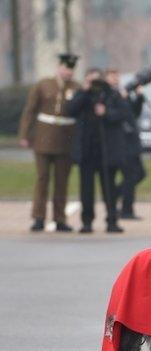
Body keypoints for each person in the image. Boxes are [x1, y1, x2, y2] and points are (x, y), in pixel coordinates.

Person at [18, 53, 80, 232]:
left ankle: (60, 218)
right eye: (65, 68)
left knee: (62, 181)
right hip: (44, 138)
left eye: (71, 69)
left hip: (66, 140)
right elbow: (30, 110)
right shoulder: (43, 84)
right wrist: (24, 134)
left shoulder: (76, 87)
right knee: (42, 178)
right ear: (58, 67)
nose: (68, 72)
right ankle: (38, 217)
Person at [67, 68, 128, 233]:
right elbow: (70, 110)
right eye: (90, 80)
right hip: (87, 150)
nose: (94, 84)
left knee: (109, 188)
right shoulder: (82, 95)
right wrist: (84, 91)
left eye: (96, 81)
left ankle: (112, 220)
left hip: (106, 150)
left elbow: (123, 113)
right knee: (86, 190)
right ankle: (87, 221)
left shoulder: (111, 94)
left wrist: (106, 112)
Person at [105, 69, 146, 220]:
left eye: (117, 76)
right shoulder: (108, 95)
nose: (115, 79)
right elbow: (110, 115)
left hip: (131, 141)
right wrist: (121, 99)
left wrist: (139, 97)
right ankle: (126, 209)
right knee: (130, 175)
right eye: (112, 76)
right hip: (119, 142)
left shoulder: (122, 93)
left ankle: (114, 195)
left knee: (139, 174)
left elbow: (133, 113)